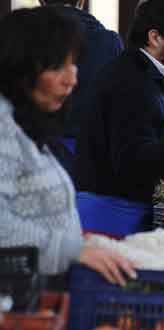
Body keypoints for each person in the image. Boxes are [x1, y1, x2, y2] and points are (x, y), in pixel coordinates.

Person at [0, 6, 135, 286]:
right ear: (21, 68)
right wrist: (72, 250)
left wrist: (77, 240)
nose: (72, 79)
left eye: (74, 64)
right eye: (57, 66)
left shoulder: (26, 128)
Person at [75, 0, 164, 236]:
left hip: (117, 211)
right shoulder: (131, 83)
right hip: (110, 217)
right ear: (155, 38)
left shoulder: (140, 73)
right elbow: (132, 164)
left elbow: (146, 127)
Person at [38, 0, 124, 177]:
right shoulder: (108, 42)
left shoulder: (20, 37)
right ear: (82, 1)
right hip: (92, 161)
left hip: (34, 151)